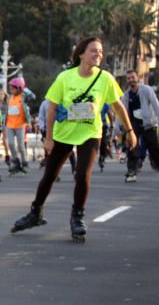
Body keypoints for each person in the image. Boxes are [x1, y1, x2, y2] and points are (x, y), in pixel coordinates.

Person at [11, 37, 137, 241]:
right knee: (50, 174)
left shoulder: (105, 78)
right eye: (94, 51)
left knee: (82, 175)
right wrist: (49, 138)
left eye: (101, 51)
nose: (98, 55)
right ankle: (35, 212)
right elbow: (51, 107)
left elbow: (117, 106)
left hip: (90, 133)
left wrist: (130, 131)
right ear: (81, 54)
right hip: (64, 134)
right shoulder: (65, 78)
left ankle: (77, 216)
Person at [121, 70, 159, 182]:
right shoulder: (126, 95)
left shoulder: (147, 90)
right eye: (128, 78)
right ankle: (132, 170)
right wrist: (118, 129)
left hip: (149, 123)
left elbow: (156, 105)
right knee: (132, 146)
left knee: (154, 146)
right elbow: (121, 112)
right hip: (134, 124)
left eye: (132, 77)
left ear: (138, 78)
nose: (131, 80)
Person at [4, 77, 32, 175]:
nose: (10, 90)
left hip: (20, 125)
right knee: (11, 143)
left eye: (13, 88)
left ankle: (24, 163)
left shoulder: (23, 97)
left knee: (20, 146)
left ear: (19, 88)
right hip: (9, 124)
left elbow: (33, 96)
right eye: (10, 88)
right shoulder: (10, 98)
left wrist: (23, 87)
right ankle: (15, 161)